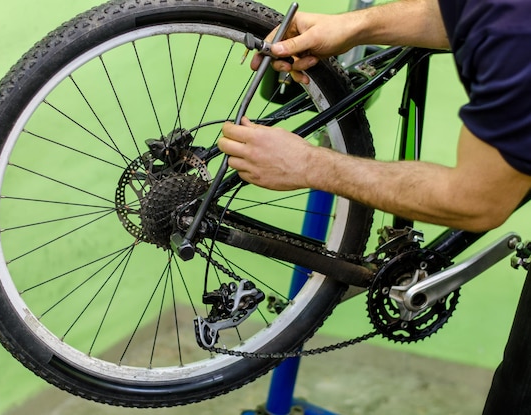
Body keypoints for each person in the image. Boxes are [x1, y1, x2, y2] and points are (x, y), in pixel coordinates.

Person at [217, 0, 531, 413]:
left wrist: (307, 164)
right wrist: (355, 26)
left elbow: (476, 201)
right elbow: (464, 12)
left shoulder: (516, 39)